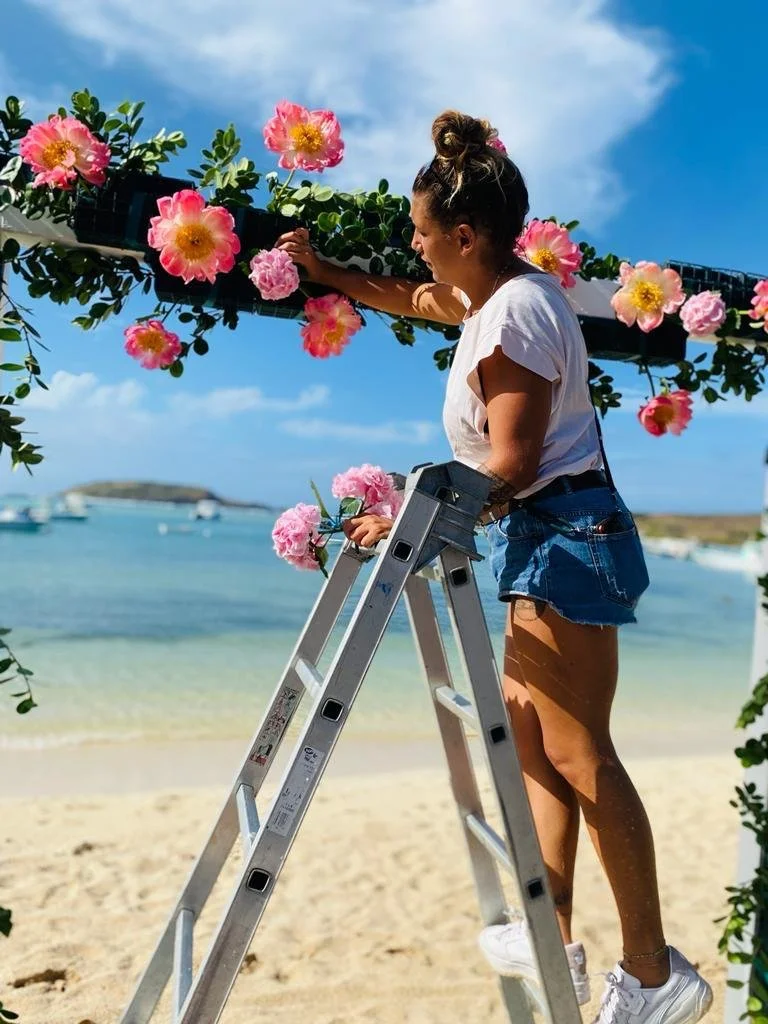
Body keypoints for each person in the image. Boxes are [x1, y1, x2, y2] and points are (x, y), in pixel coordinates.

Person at [277, 109, 713, 1024]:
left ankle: (653, 972)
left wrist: (408, 517)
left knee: (582, 753)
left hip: (567, 535)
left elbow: (512, 460)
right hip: (546, 535)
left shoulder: (514, 315)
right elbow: (416, 298)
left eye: (422, 232)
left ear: (466, 235)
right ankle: (553, 931)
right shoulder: (494, 301)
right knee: (536, 744)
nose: (415, 244)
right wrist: (330, 274)